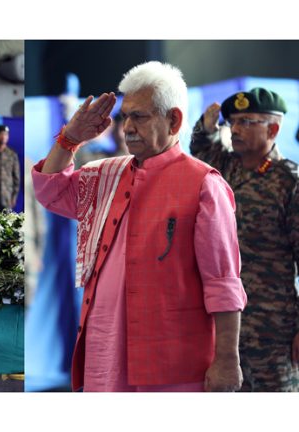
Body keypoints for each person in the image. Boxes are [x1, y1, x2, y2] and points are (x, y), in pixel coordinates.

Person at [32, 61, 247, 392]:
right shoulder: (106, 174)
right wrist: (69, 139)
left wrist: (227, 360)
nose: (127, 127)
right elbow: (50, 190)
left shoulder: (204, 184)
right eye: (125, 115)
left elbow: (222, 282)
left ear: (173, 119)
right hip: (105, 355)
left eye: (140, 117)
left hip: (173, 364)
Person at [190, 88, 299, 391]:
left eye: (247, 122)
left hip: (271, 329)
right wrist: (207, 125)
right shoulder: (223, 168)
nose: (235, 129)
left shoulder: (289, 181)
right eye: (232, 122)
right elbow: (199, 149)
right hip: (221, 327)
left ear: (273, 129)